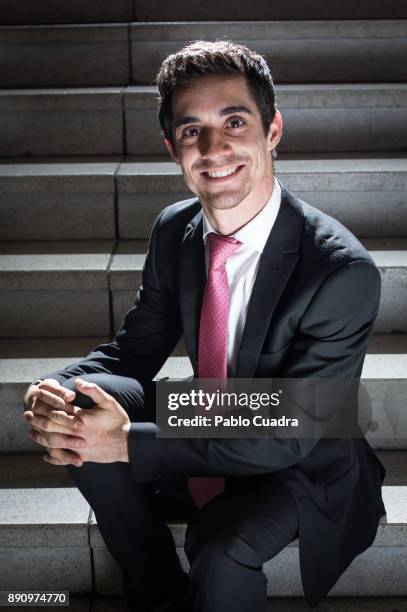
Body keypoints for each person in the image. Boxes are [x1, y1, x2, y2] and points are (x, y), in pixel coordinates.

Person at [23, 41, 386, 612]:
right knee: (84, 408)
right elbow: (132, 353)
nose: (214, 148)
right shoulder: (175, 230)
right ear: (173, 148)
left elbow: (290, 425)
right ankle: (155, 586)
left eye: (234, 121)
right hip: (211, 413)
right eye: (193, 131)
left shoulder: (341, 269)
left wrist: (130, 444)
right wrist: (57, 388)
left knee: (219, 547)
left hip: (302, 451)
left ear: (272, 131)